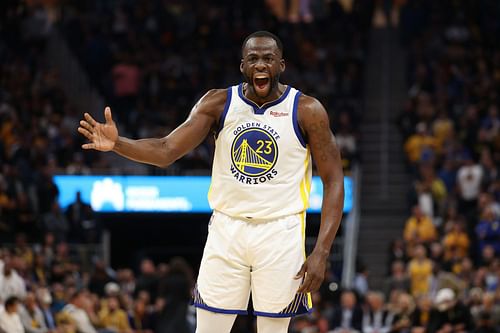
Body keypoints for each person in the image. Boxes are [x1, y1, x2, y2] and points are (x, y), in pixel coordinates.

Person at [78, 30, 344, 333]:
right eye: (253, 59)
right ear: (242, 65)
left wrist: (321, 251)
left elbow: (334, 180)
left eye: (268, 59)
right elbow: (166, 151)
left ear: (281, 65)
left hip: (280, 231)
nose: (260, 65)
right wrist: (117, 144)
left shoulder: (306, 110)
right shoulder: (219, 102)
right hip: (226, 229)